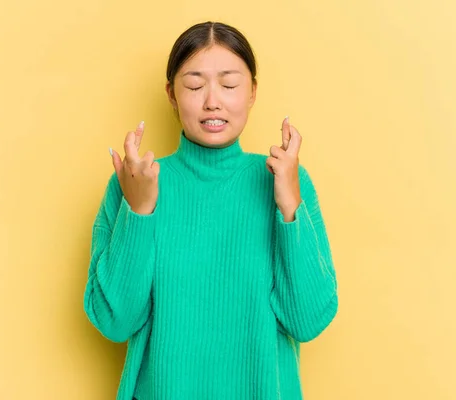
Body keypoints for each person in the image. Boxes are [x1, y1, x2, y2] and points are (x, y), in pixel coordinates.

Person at [83, 20, 338, 400]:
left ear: (252, 92)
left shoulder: (285, 181)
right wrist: (138, 212)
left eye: (230, 84)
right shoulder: (137, 183)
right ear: (171, 94)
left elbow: (309, 319)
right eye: (195, 85)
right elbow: (115, 321)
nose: (212, 101)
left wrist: (289, 207)